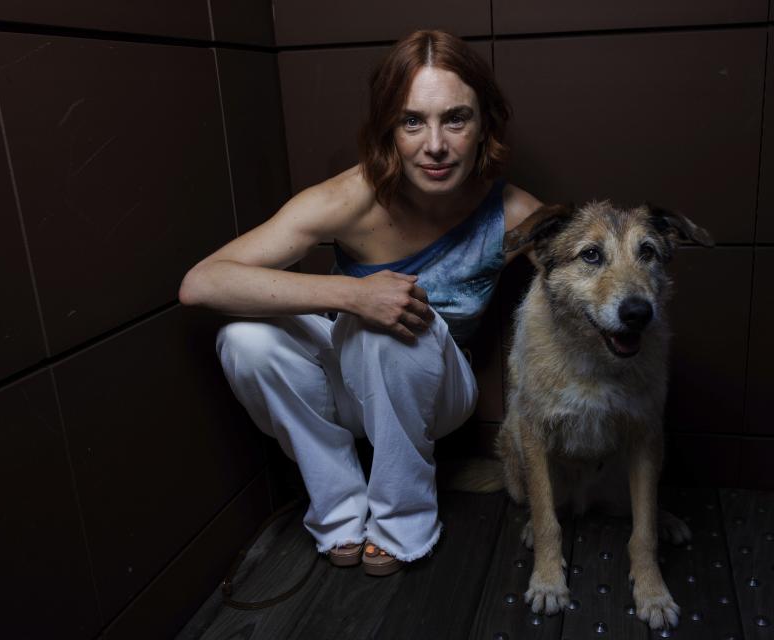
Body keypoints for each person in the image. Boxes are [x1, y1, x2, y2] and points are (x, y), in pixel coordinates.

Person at [178, 29, 541, 576]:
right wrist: (353, 294)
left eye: (456, 119)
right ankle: (339, 510)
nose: (435, 145)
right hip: (350, 380)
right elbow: (202, 283)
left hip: (437, 396)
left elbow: (590, 274)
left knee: (390, 327)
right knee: (244, 338)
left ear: (485, 122)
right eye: (412, 120)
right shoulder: (351, 196)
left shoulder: (511, 212)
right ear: (388, 129)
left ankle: (403, 522)